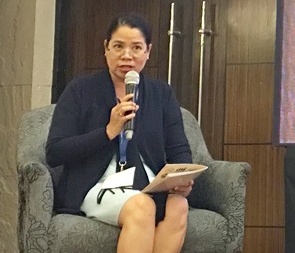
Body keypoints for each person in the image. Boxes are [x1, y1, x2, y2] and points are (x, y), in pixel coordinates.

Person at [46, 13, 193, 253]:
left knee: (178, 205)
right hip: (96, 184)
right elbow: (55, 151)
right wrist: (108, 131)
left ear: (148, 51)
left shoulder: (160, 93)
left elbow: (179, 148)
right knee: (142, 206)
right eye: (118, 46)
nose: (127, 56)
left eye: (136, 47)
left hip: (145, 182)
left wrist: (182, 179)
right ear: (106, 48)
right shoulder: (80, 90)